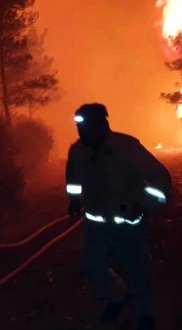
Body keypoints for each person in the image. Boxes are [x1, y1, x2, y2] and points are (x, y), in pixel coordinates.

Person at [65, 103, 172, 330]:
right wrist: (74, 201)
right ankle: (118, 296)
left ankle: (146, 318)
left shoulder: (127, 146)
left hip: (129, 225)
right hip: (96, 225)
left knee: (138, 273)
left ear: (103, 124)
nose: (85, 133)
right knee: (92, 268)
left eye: (90, 127)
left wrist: (147, 204)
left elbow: (159, 176)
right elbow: (73, 179)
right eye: (81, 128)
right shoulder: (77, 151)